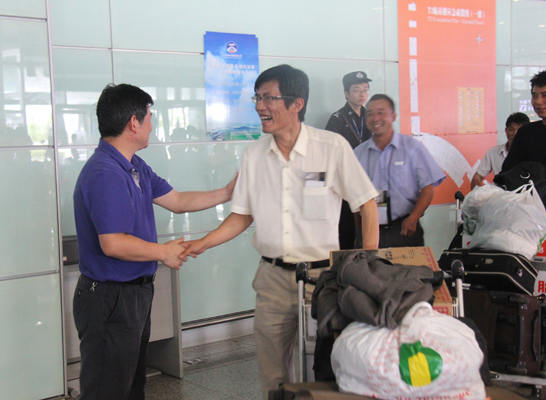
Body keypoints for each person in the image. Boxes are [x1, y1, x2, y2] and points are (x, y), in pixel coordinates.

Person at [180, 64, 379, 397]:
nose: (260, 106)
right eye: (257, 98)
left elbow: (366, 204)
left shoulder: (330, 147)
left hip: (323, 279)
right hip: (272, 280)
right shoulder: (254, 155)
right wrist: (203, 243)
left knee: (333, 366)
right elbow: (241, 216)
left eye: (268, 98)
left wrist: (367, 267)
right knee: (273, 375)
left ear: (296, 103)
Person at [72, 83, 236, 400]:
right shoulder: (105, 172)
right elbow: (113, 244)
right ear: (134, 123)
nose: (152, 125)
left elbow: (177, 200)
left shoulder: (134, 165)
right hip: (109, 297)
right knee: (108, 390)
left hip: (134, 293)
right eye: (149, 118)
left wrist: (227, 193)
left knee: (131, 386)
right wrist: (164, 252)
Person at [354, 94, 445, 248]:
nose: (375, 118)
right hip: (370, 231)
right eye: (370, 114)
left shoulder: (412, 148)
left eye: (381, 113)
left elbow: (428, 189)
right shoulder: (358, 153)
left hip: (404, 229)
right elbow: (354, 196)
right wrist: (358, 230)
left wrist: (414, 218)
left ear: (393, 116)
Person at [325, 71, 373, 249]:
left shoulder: (371, 117)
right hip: (345, 183)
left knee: (369, 228)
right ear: (346, 93)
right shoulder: (337, 119)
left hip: (369, 181)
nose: (362, 94)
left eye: (365, 89)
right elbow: (329, 155)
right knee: (346, 231)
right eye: (356, 90)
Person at [502, 69, 546, 172]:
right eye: (534, 96)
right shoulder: (526, 132)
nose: (538, 101)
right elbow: (508, 172)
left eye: (545, 95)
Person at [470, 112, 530, 189]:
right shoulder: (493, 152)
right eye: (511, 129)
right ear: (506, 130)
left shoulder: (532, 153)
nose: (514, 134)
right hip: (500, 195)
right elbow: (477, 177)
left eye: (519, 130)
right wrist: (476, 194)